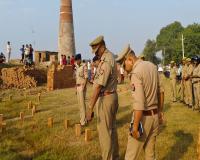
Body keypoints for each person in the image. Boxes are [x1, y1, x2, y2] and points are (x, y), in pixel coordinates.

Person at [116, 44, 163, 160]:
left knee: (130, 156)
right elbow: (161, 92)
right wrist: (160, 112)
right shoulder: (152, 66)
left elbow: (139, 104)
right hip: (155, 116)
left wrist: (135, 126)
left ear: (130, 60)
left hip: (144, 118)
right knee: (150, 154)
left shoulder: (136, 73)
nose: (124, 67)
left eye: (123, 64)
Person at [87, 36, 119, 160]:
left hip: (106, 98)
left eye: (96, 50)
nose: (95, 53)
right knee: (112, 130)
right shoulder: (108, 57)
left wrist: (90, 108)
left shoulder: (106, 60)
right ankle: (115, 157)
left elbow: (98, 87)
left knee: (105, 133)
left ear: (101, 46)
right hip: (111, 96)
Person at [75, 54, 88, 126]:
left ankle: (83, 121)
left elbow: (86, 77)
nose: (76, 61)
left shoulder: (84, 66)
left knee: (82, 104)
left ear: (80, 59)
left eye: (77, 60)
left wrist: (84, 87)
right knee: (80, 104)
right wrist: (75, 88)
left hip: (82, 87)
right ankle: (81, 120)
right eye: (76, 60)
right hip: (78, 87)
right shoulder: (77, 67)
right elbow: (77, 79)